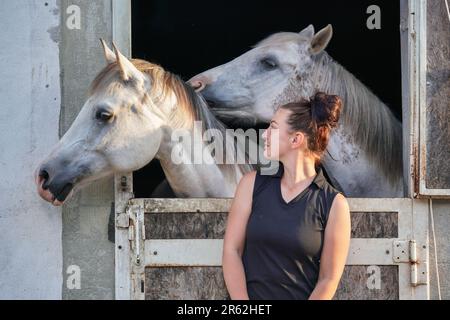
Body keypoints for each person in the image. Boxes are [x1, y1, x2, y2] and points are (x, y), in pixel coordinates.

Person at [222, 92, 351, 300]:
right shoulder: (251, 184)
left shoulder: (333, 203)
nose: (264, 135)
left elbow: (328, 279)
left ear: (296, 139)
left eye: (272, 128)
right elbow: (231, 251)